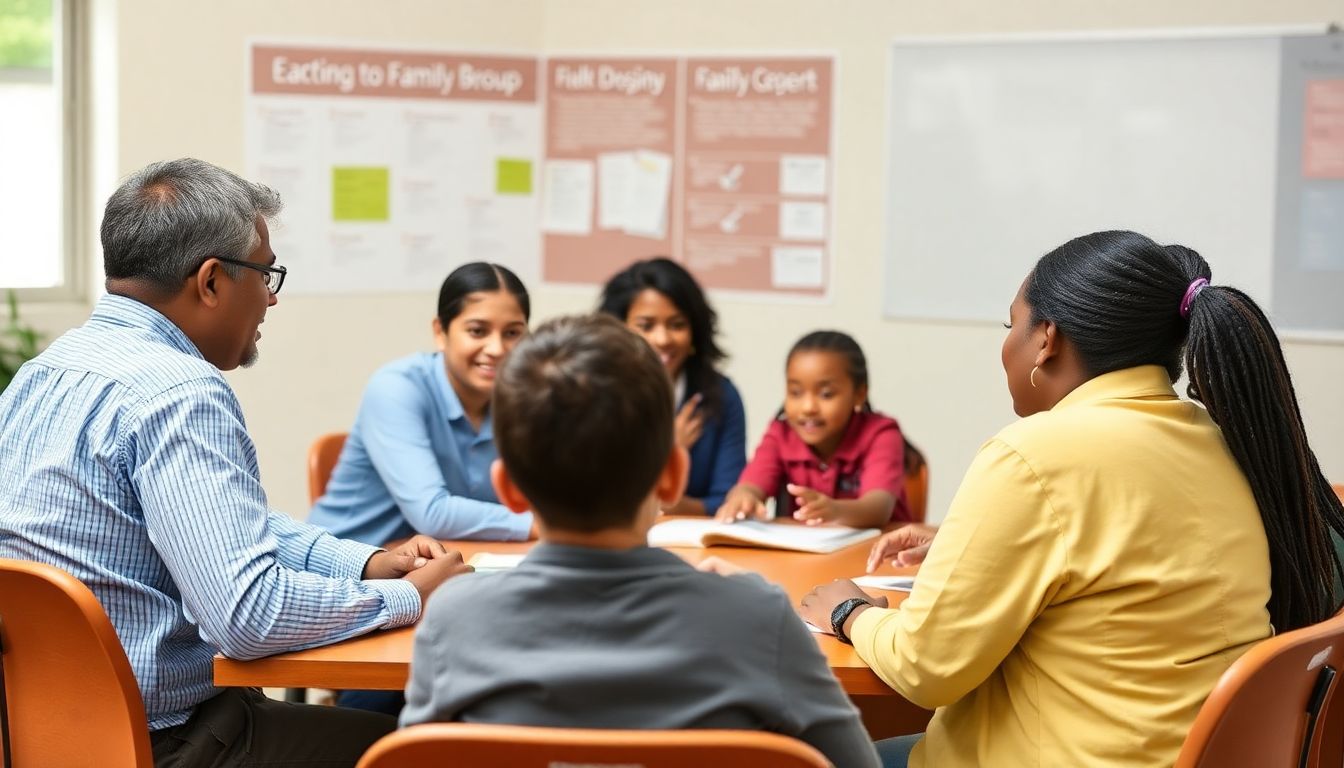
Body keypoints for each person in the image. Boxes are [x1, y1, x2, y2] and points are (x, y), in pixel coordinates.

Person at [799, 230, 1344, 768]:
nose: (1006, 344)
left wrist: (849, 612)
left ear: (1047, 339)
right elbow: (1132, 562)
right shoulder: (1218, 437)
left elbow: (926, 669)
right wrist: (971, 541)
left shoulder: (1035, 454)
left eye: (1011, 324)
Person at [0, 158, 471, 767]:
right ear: (212, 281)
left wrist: (368, 563)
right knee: (433, 754)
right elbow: (248, 615)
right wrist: (412, 600)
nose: (271, 298)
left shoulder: (45, 372)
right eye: (265, 274)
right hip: (167, 743)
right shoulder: (178, 392)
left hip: (42, 739)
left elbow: (209, 526)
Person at [399, 314, 880, 768]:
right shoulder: (758, 618)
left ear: (509, 490)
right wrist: (745, 600)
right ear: (673, 477)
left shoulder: (453, 619)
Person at [308, 262, 534, 546]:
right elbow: (432, 513)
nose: (497, 349)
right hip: (345, 568)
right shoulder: (396, 387)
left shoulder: (518, 396)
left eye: (512, 333)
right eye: (478, 331)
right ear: (440, 332)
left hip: (440, 562)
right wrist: (541, 524)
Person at [598, 257, 746, 516]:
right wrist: (667, 451)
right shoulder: (597, 393)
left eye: (677, 325)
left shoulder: (721, 396)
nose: (663, 339)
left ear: (694, 331)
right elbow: (597, 493)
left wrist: (660, 501)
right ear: (618, 329)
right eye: (646, 326)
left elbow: (727, 501)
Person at [717, 330, 909, 528]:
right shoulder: (780, 434)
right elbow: (751, 484)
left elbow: (878, 509)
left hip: (881, 554)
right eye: (796, 392)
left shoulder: (881, 434)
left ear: (859, 394)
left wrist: (835, 511)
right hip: (809, 554)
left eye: (826, 394)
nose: (808, 407)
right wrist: (743, 497)